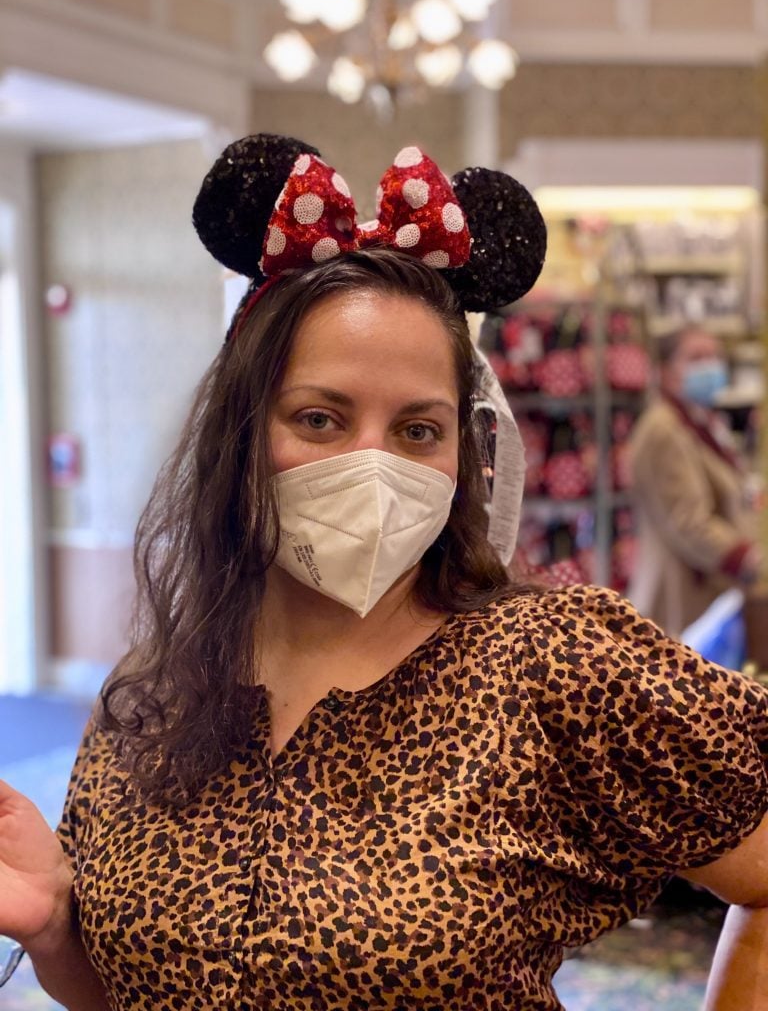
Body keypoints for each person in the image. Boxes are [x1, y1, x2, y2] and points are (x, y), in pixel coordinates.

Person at [1, 134, 767, 1011]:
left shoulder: (551, 667)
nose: (373, 465)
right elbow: (141, 990)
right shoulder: (152, 695)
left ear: (463, 451)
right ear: (242, 435)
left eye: (416, 431)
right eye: (321, 419)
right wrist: (60, 931)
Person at [628, 323, 763, 638]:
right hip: (681, 602)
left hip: (706, 597)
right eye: (697, 358)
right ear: (665, 370)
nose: (710, 366)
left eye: (714, 356)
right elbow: (688, 521)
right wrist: (748, 559)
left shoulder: (700, 421)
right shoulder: (663, 430)